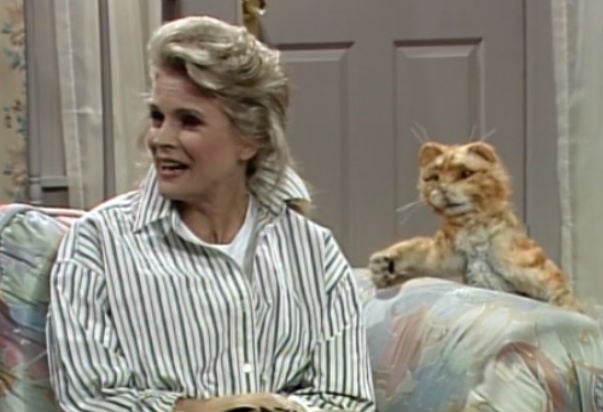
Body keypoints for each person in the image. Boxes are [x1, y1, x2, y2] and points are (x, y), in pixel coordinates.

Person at [46, 15, 376, 412]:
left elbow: (348, 399)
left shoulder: (313, 252)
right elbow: (91, 400)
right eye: (157, 117)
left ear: (250, 139)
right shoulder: (97, 245)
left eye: (189, 121)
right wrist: (206, 410)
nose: (160, 139)